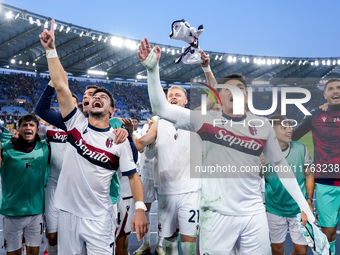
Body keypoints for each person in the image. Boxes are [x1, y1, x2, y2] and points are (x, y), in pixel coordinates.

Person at [138, 37, 315, 254]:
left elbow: (281, 167)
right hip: (216, 215)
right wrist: (151, 70)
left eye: (240, 88)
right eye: (228, 89)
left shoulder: (262, 127)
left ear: (246, 95)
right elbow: (161, 108)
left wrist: (304, 204)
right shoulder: (204, 119)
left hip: (254, 215)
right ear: (220, 96)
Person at [39, 19, 148, 254]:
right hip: (67, 213)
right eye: (94, 96)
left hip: (99, 218)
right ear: (87, 106)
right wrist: (51, 50)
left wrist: (140, 208)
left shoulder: (119, 139)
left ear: (112, 110)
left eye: (103, 97)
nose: (96, 97)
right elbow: (60, 86)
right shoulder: (75, 122)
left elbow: (133, 176)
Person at [125, 85, 201, 255]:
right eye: (170, 95)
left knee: (189, 243)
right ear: (166, 100)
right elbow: (140, 145)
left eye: (178, 95)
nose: (173, 97)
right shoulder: (158, 125)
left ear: (185, 101)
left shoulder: (194, 120)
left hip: (191, 191)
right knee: (170, 242)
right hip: (166, 193)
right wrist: (130, 134)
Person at [292, 78, 340, 255]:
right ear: (325, 94)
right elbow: (292, 136)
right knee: (328, 232)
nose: (336, 91)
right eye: (331, 89)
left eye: (339, 88)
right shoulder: (315, 116)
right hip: (326, 183)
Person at [261, 114, 314, 255]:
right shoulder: (262, 152)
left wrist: (309, 201)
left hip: (298, 208)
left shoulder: (301, 149)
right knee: (277, 249)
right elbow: (255, 180)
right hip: (274, 208)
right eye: (284, 127)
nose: (289, 130)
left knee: (301, 251)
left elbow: (308, 174)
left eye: (290, 126)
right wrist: (258, 168)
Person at [0, 114, 50, 255]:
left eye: (31, 125)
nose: (28, 127)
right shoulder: (7, 149)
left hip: (36, 213)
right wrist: (3, 143)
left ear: (37, 129)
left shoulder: (44, 148)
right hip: (12, 213)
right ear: (18, 129)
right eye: (25, 125)